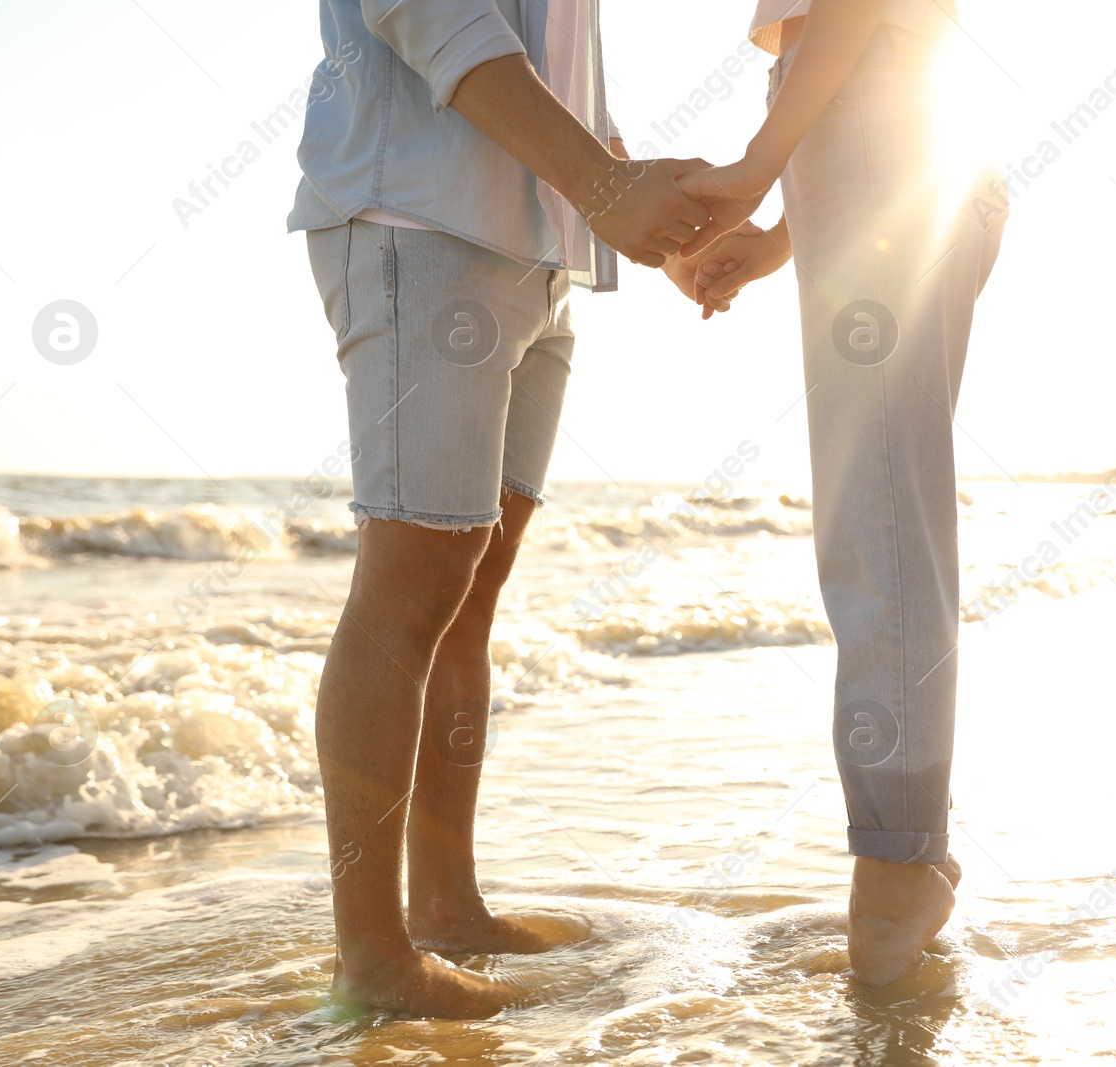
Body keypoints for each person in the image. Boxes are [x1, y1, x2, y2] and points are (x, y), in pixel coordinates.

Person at [288, 0, 733, 1019]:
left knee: (467, 589)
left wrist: (656, 220)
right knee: (410, 585)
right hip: (419, 222)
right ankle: (373, 956)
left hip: (541, 253)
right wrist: (607, 185)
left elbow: (554, 66)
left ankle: (446, 902)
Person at [679, 0, 1007, 985]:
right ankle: (905, 852)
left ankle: (897, 865)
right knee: (888, 510)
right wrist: (783, 224)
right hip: (892, 140)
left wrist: (755, 162)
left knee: (877, 524)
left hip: (878, 142)